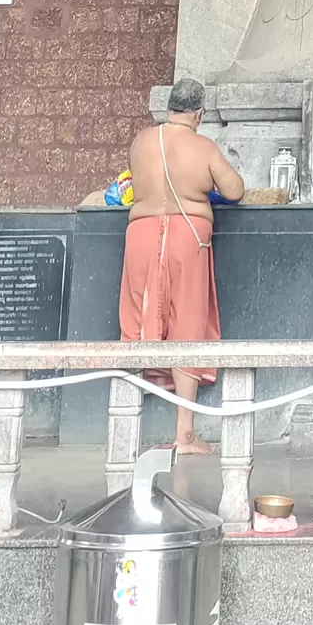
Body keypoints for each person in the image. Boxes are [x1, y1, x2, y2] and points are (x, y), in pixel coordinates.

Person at [119, 77, 244, 454]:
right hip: (187, 236)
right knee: (187, 324)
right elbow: (235, 190)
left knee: (138, 321)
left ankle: (124, 427)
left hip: (141, 235)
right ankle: (185, 433)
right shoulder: (202, 146)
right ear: (199, 114)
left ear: (168, 108)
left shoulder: (142, 141)